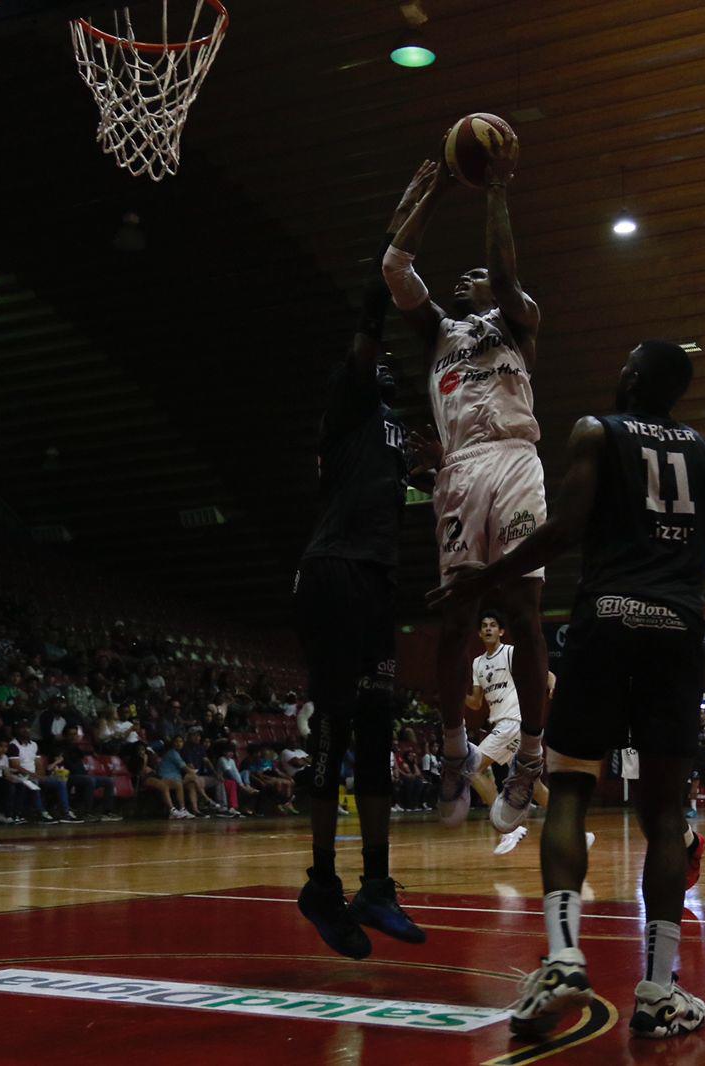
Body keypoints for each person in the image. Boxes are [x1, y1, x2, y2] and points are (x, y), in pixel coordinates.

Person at [431, 340, 705, 1040]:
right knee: (663, 816)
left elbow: (562, 529)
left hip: (609, 617)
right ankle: (658, 990)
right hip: (677, 629)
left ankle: (564, 955)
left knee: (567, 788)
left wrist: (483, 576)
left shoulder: (598, 430)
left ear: (630, 378)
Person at [292, 166, 436, 961]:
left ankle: (376, 883)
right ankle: (321, 883)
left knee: (380, 728)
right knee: (337, 731)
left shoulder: (389, 434)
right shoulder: (349, 403)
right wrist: (401, 228)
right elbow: (373, 309)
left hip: (376, 578)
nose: (383, 363)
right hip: (335, 571)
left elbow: (411, 484)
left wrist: (436, 474)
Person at [384, 152, 551, 831]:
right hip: (460, 470)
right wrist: (428, 191)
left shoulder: (518, 321)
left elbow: (506, 274)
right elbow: (396, 267)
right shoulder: (439, 334)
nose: (466, 276)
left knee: (523, 614)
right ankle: (455, 751)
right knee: (456, 618)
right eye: (463, 274)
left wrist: (495, 190)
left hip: (514, 460)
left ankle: (531, 758)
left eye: (474, 273)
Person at [464, 610, 558, 854]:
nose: (488, 629)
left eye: (493, 625)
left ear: (501, 631)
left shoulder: (510, 652)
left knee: (471, 768)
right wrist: (455, 695)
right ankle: (577, 830)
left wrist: (552, 682)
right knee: (533, 785)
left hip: (513, 722)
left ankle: (510, 828)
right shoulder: (477, 663)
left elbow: (540, 669)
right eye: (484, 625)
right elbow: (475, 703)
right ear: (479, 632)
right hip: (504, 726)